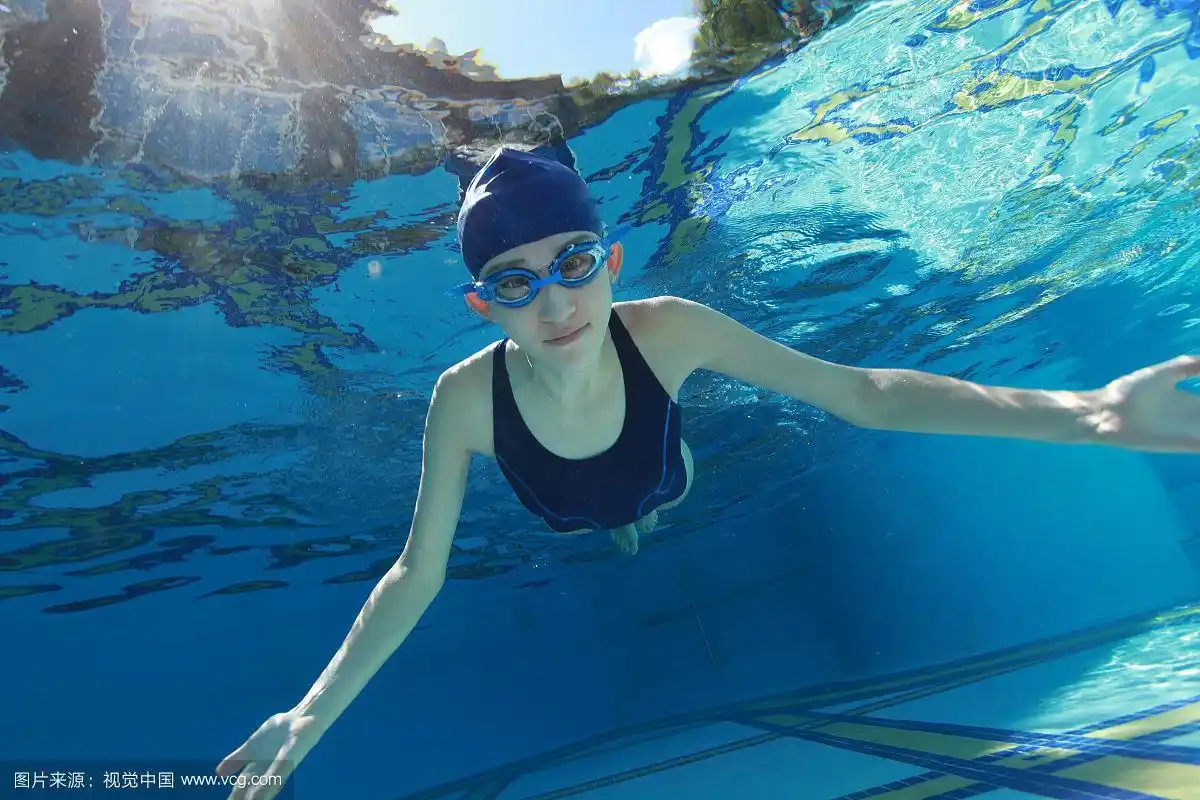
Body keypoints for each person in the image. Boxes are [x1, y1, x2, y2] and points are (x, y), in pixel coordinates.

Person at [216, 146, 1200, 799]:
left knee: (659, 493)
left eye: (573, 262)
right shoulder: (463, 400)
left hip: (659, 466)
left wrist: (1094, 414)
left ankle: (641, 519)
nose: (555, 301)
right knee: (599, 522)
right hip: (556, 503)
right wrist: (310, 712)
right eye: (517, 281)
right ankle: (626, 529)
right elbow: (414, 571)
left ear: (612, 257)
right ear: (485, 304)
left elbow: (863, 392)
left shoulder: (669, 328)